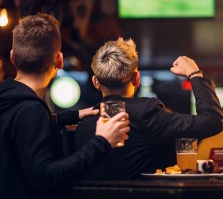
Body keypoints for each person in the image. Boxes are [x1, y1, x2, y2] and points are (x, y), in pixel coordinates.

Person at [0, 13, 130, 199]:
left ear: (12, 58)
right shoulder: (30, 109)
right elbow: (46, 177)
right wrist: (102, 141)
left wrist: (69, 117)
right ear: (59, 60)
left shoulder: (8, 99)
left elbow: (16, 131)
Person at [74, 38, 223, 180]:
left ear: (96, 82)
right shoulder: (145, 112)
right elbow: (213, 121)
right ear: (136, 78)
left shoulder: (82, 122)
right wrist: (195, 74)